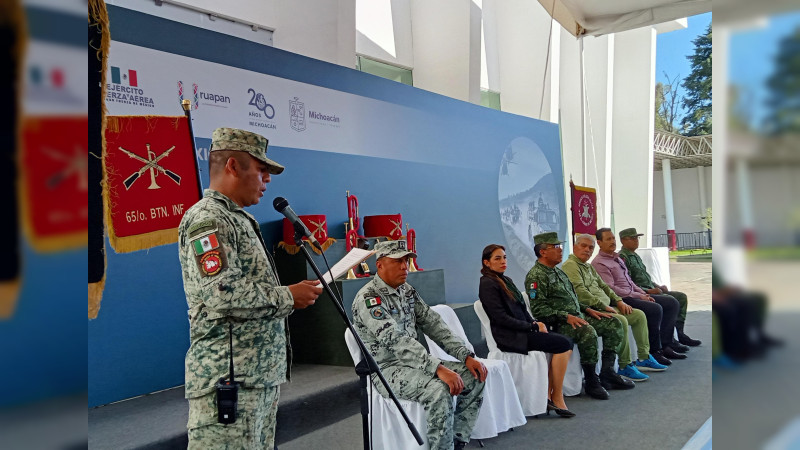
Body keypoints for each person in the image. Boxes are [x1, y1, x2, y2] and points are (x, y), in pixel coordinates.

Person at [178, 128, 323, 449]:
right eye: (261, 170)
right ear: (232, 166)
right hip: (228, 382)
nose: (267, 179)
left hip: (253, 379)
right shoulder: (208, 219)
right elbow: (221, 293)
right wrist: (288, 296)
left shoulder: (239, 219)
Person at [352, 240, 487, 450]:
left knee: (475, 376)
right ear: (380, 265)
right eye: (398, 261)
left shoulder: (406, 291)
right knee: (439, 388)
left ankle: (457, 440)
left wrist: (465, 356)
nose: (405, 266)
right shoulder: (369, 299)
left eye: (406, 260)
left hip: (416, 364)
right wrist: (437, 368)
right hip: (388, 370)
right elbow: (396, 341)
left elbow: (434, 324)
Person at [524, 232, 634, 401]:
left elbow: (572, 299)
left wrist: (587, 309)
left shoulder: (558, 272)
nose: (561, 251)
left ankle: (608, 372)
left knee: (613, 324)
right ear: (543, 252)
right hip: (558, 323)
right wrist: (566, 316)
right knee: (587, 331)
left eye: (560, 247)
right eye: (556, 247)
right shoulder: (536, 276)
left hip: (577, 316)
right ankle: (591, 380)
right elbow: (539, 310)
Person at [478, 244, 576, 418]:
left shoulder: (505, 279)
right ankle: (556, 396)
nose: (503, 261)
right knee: (563, 344)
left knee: (566, 341)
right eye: (497, 258)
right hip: (511, 337)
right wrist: (531, 327)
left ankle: (549, 394)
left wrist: (535, 322)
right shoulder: (487, 284)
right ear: (486, 263)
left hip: (524, 331)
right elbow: (500, 318)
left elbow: (522, 310)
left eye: (504, 257)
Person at [561, 234, 668, 383]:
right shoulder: (571, 266)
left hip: (607, 306)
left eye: (590, 248)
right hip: (592, 309)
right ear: (574, 247)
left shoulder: (588, 266)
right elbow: (580, 292)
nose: (587, 250)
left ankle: (643, 357)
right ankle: (624, 365)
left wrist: (618, 302)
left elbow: (604, 287)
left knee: (638, 315)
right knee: (621, 320)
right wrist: (604, 306)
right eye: (583, 246)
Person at [592, 228, 687, 365]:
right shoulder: (599, 263)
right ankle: (654, 351)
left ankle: (667, 344)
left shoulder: (616, 258)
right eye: (608, 239)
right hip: (621, 298)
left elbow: (630, 282)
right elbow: (611, 288)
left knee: (672, 303)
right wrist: (639, 295)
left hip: (633, 294)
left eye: (613, 238)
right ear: (599, 243)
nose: (613, 242)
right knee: (655, 308)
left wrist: (644, 293)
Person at [618, 227, 701, 347]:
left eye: (637, 237)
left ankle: (679, 333)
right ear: (623, 241)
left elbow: (645, 278)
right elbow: (628, 282)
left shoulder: (634, 255)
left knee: (681, 297)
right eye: (632, 238)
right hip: (641, 294)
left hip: (650, 289)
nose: (636, 240)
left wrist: (657, 286)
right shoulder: (623, 257)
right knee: (671, 301)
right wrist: (648, 290)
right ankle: (667, 341)